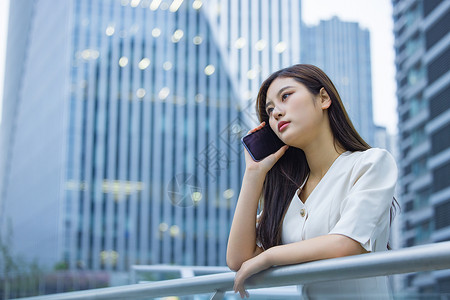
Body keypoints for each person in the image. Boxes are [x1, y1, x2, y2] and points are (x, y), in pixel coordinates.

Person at [226, 64, 398, 299]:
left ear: (323, 98)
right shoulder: (289, 193)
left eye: (286, 96)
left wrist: (269, 256)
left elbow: (346, 244)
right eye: (270, 110)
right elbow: (238, 259)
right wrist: (254, 173)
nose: (276, 113)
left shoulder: (371, 163)